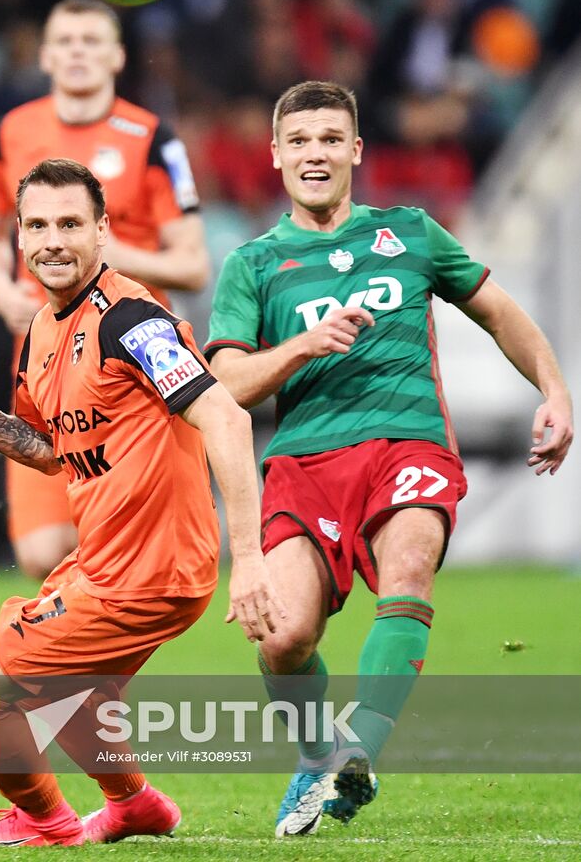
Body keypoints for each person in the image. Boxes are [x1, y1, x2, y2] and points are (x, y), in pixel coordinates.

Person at [204, 80, 573, 837]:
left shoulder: (409, 233)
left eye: (331, 139)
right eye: (300, 141)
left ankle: (358, 755)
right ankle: (319, 755)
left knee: (407, 573)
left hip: (408, 442)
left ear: (356, 151)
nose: (316, 154)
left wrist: (555, 391)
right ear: (275, 155)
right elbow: (227, 386)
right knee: (283, 638)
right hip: (304, 466)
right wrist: (303, 344)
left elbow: (500, 313)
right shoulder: (254, 263)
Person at [0, 157, 282, 848]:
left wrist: (249, 558)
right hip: (103, 560)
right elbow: (54, 449)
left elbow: (227, 417)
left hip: (149, 572)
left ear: (102, 230)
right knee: (77, 697)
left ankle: (46, 823)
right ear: (18, 237)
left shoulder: (133, 321)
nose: (53, 240)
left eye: (71, 223)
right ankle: (134, 807)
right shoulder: (40, 330)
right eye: (37, 225)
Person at [0, 0, 210, 579]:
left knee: (119, 550)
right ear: (45, 55)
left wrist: (91, 251)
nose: (78, 52)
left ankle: (97, 646)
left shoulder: (153, 138)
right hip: (46, 355)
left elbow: (194, 265)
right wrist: (3, 293)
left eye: (92, 41)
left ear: (118, 57)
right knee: (40, 552)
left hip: (128, 360)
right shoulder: (9, 132)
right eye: (66, 42)